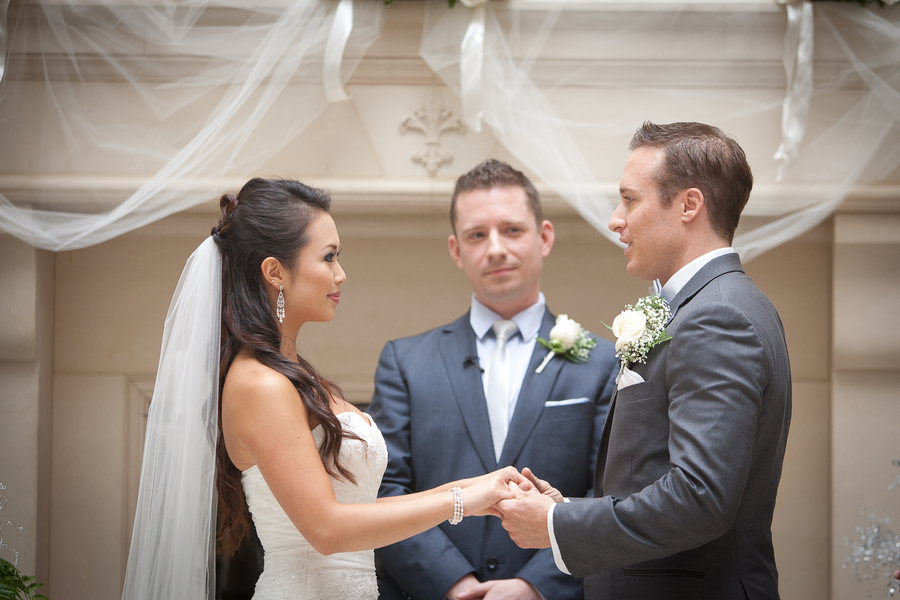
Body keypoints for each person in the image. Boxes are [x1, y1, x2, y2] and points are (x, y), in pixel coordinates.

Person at [121, 178, 523, 600]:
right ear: (275, 272)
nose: (341, 274)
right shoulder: (260, 384)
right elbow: (328, 530)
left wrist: (482, 487)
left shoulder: (292, 374)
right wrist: (461, 501)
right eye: (329, 257)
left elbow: (357, 513)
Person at [496, 122, 792, 600]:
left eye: (630, 200)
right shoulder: (715, 305)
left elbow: (700, 497)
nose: (615, 219)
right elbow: (658, 474)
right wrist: (568, 507)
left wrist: (556, 523)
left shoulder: (716, 316)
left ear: (689, 205)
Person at [368, 160, 618, 600]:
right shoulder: (405, 362)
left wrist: (533, 586)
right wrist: (453, 584)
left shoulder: (603, 362)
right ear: (455, 249)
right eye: (477, 235)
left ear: (544, 237)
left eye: (512, 230)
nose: (495, 248)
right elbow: (385, 490)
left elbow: (610, 494)